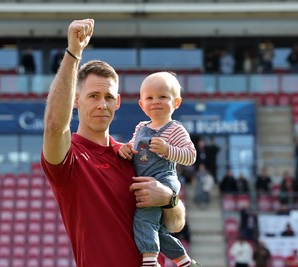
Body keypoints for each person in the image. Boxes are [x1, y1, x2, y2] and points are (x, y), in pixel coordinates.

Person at [40, 18, 187, 267]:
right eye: (93, 96)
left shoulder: (134, 153)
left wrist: (169, 198)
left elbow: (175, 224)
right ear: (76, 100)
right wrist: (73, 54)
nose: (102, 104)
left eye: (108, 97)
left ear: (117, 102)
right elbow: (55, 125)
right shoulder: (70, 158)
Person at [118, 71, 197, 267]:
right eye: (150, 98)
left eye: (163, 96)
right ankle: (185, 262)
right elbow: (133, 147)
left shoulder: (175, 129)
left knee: (143, 221)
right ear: (142, 104)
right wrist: (125, 149)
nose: (156, 102)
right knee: (156, 229)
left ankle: (150, 261)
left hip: (163, 180)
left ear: (176, 102)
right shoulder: (140, 127)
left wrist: (168, 149)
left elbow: (190, 155)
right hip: (146, 181)